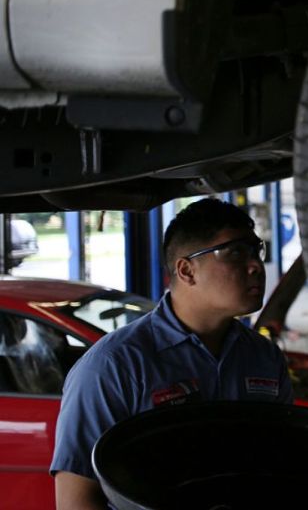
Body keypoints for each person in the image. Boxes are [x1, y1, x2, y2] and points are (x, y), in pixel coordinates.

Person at [51, 198, 293, 510]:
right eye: (236, 253)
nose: (256, 265)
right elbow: (77, 499)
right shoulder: (114, 366)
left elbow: (284, 463)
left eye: (256, 251)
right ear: (186, 270)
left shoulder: (265, 358)